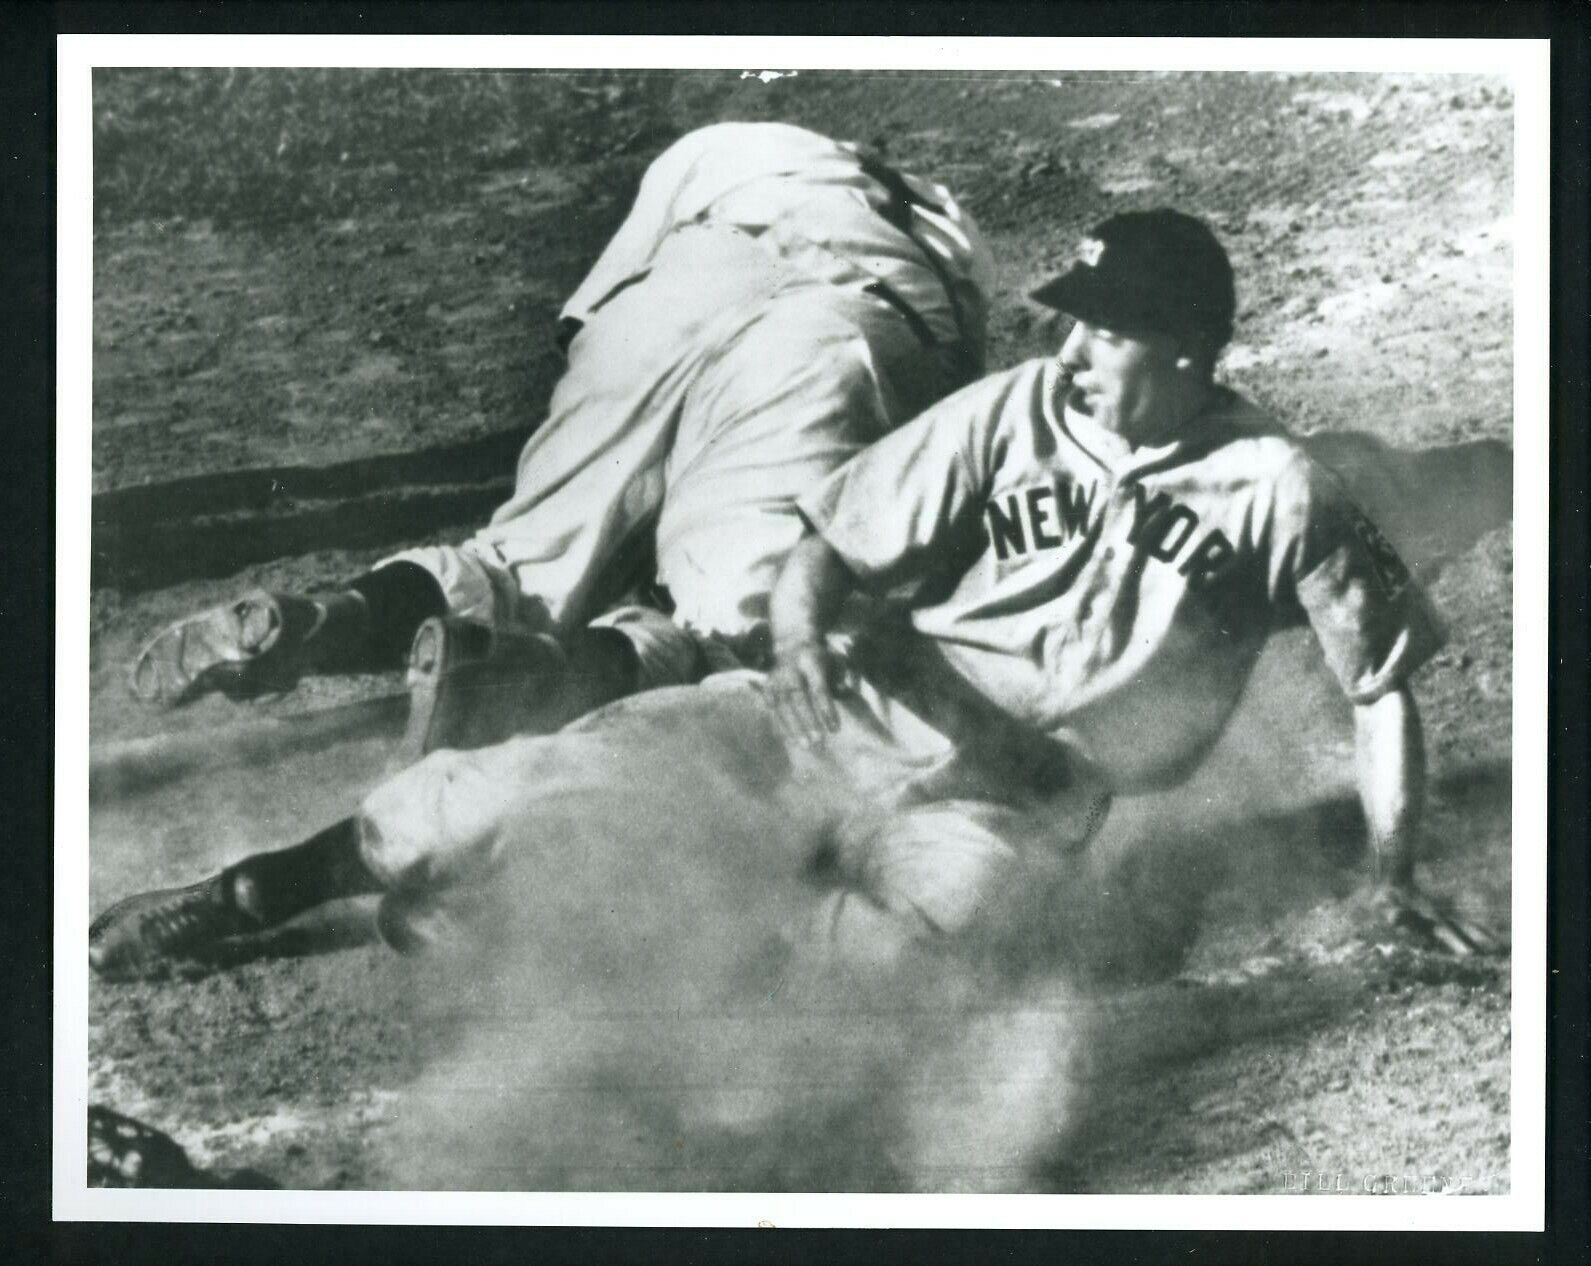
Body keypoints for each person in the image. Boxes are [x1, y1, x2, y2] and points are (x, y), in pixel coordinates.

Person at [91, 208, 1498, 983]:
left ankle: (552, 924)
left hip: (1006, 800)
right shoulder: (1012, 406)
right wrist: (795, 632)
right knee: (502, 787)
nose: (1066, 344)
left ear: (1181, 352)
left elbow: (1378, 686)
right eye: (1067, 321)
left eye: (1102, 328)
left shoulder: (1279, 490)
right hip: (826, 713)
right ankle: (256, 888)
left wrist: (1390, 867)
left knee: (863, 987)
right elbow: (827, 545)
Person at [126, 121, 995, 755]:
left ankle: (330, 615)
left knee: (517, 557)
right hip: (851, 328)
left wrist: (605, 510)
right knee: (731, 620)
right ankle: (528, 677)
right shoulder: (956, 246)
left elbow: (585, 331)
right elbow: (914, 468)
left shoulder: (731, 146)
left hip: (691, 271)